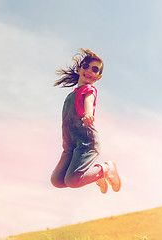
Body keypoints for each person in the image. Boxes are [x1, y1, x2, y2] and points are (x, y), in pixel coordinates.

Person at [51, 48, 121, 194]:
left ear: (98, 77)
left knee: (73, 180)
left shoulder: (88, 89)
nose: (89, 70)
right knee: (57, 180)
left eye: (95, 69)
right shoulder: (72, 94)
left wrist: (88, 113)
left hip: (86, 142)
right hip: (70, 145)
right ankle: (94, 175)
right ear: (79, 69)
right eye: (86, 66)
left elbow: (89, 100)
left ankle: (106, 169)